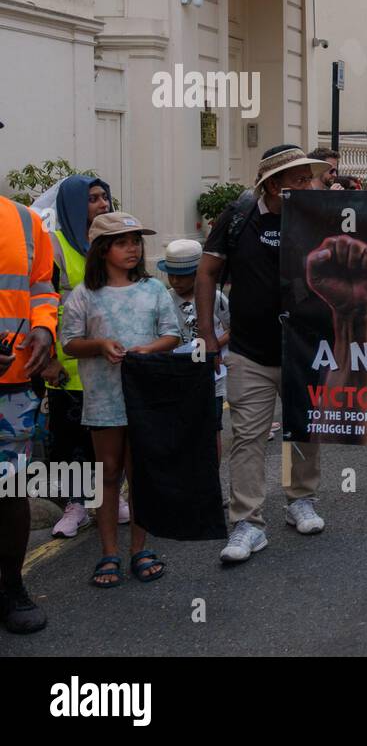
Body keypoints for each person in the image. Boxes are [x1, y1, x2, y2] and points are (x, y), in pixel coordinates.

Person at [197, 146, 331, 564]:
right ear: (273, 185)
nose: (309, 185)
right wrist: (207, 332)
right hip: (249, 353)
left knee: (302, 429)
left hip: (305, 349)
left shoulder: (316, 215)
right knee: (248, 437)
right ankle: (248, 523)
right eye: (299, 179)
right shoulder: (238, 218)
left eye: (310, 178)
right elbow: (207, 271)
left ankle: (300, 500)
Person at [61, 212, 181, 587]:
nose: (132, 248)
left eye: (135, 241)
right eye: (122, 242)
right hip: (103, 398)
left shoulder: (153, 289)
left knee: (140, 476)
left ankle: (139, 549)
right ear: (102, 250)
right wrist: (98, 345)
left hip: (144, 397)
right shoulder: (84, 294)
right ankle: (108, 552)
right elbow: (69, 342)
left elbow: (172, 334)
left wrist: (148, 350)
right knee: (108, 473)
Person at [0, 125, 59, 631]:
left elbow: (42, 286)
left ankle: (11, 586)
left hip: (14, 384)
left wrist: (43, 328)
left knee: (9, 490)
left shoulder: (22, 221)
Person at [45, 175, 116, 538]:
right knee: (69, 437)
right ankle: (75, 505)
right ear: (73, 206)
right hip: (68, 364)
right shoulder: (54, 246)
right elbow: (41, 302)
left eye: (105, 197)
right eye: (92, 199)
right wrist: (48, 361)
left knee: (110, 434)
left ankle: (112, 496)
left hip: (111, 362)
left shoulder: (116, 242)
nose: (102, 204)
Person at [159, 239, 230, 462]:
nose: (176, 281)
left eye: (183, 275)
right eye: (172, 275)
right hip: (177, 376)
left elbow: (233, 327)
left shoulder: (216, 298)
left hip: (212, 378)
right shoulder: (164, 299)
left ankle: (211, 481)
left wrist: (214, 343)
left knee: (211, 429)